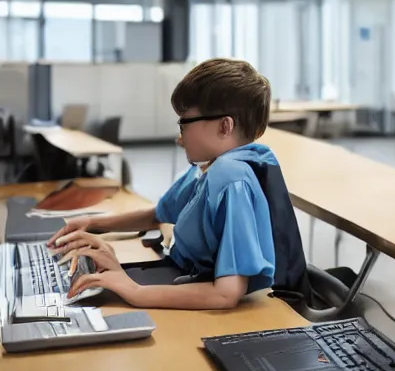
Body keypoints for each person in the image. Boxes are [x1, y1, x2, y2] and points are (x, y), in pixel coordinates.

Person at [47, 58, 282, 310]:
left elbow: (225, 295)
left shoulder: (231, 178)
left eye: (185, 123)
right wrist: (93, 224)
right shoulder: (206, 168)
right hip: (181, 275)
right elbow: (158, 215)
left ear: (225, 126)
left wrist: (134, 291)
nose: (180, 137)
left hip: (202, 295)